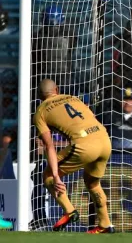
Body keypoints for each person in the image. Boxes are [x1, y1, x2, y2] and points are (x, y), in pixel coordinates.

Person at [33, 79, 114, 233]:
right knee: (92, 183)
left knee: (48, 176)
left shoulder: (40, 112)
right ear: (57, 89)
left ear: (39, 95)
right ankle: (105, 224)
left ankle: (69, 211)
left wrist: (56, 176)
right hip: (104, 139)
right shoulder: (73, 98)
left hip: (84, 144)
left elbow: (49, 145)